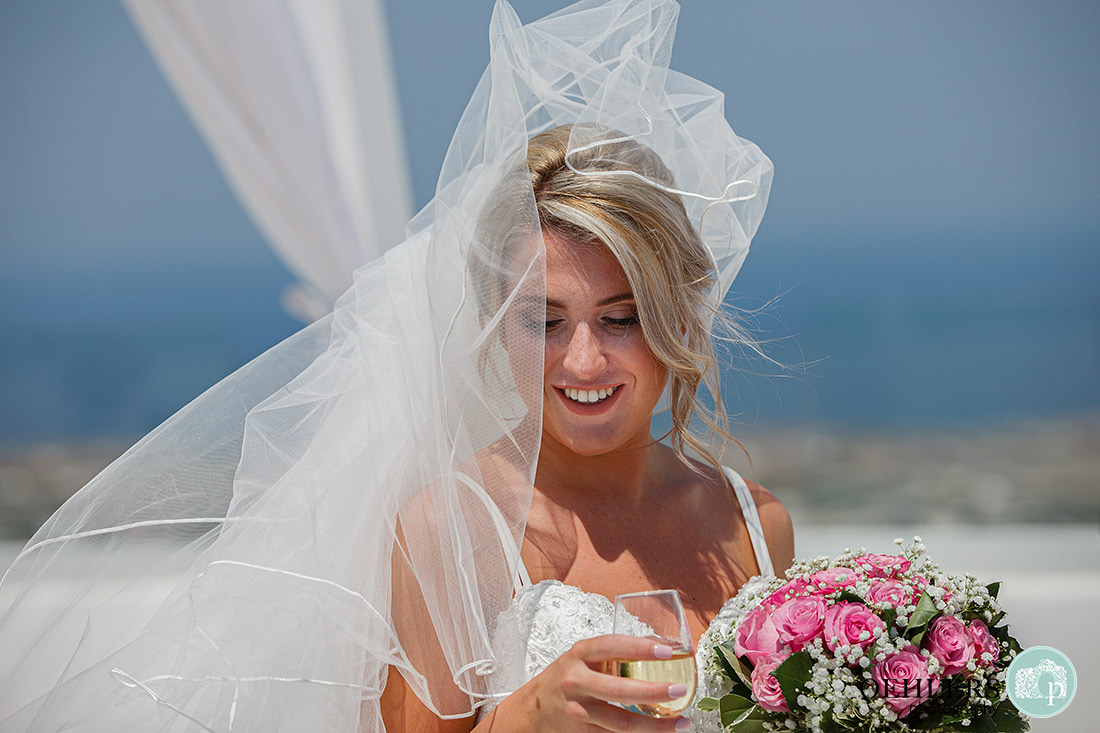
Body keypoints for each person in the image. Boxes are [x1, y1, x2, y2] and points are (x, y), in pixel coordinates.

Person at [0, 1, 788, 731]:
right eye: (542, 321)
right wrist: (530, 714)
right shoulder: (451, 529)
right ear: (495, 325)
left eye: (621, 318)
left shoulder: (756, 526)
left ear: (679, 315)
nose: (583, 358)